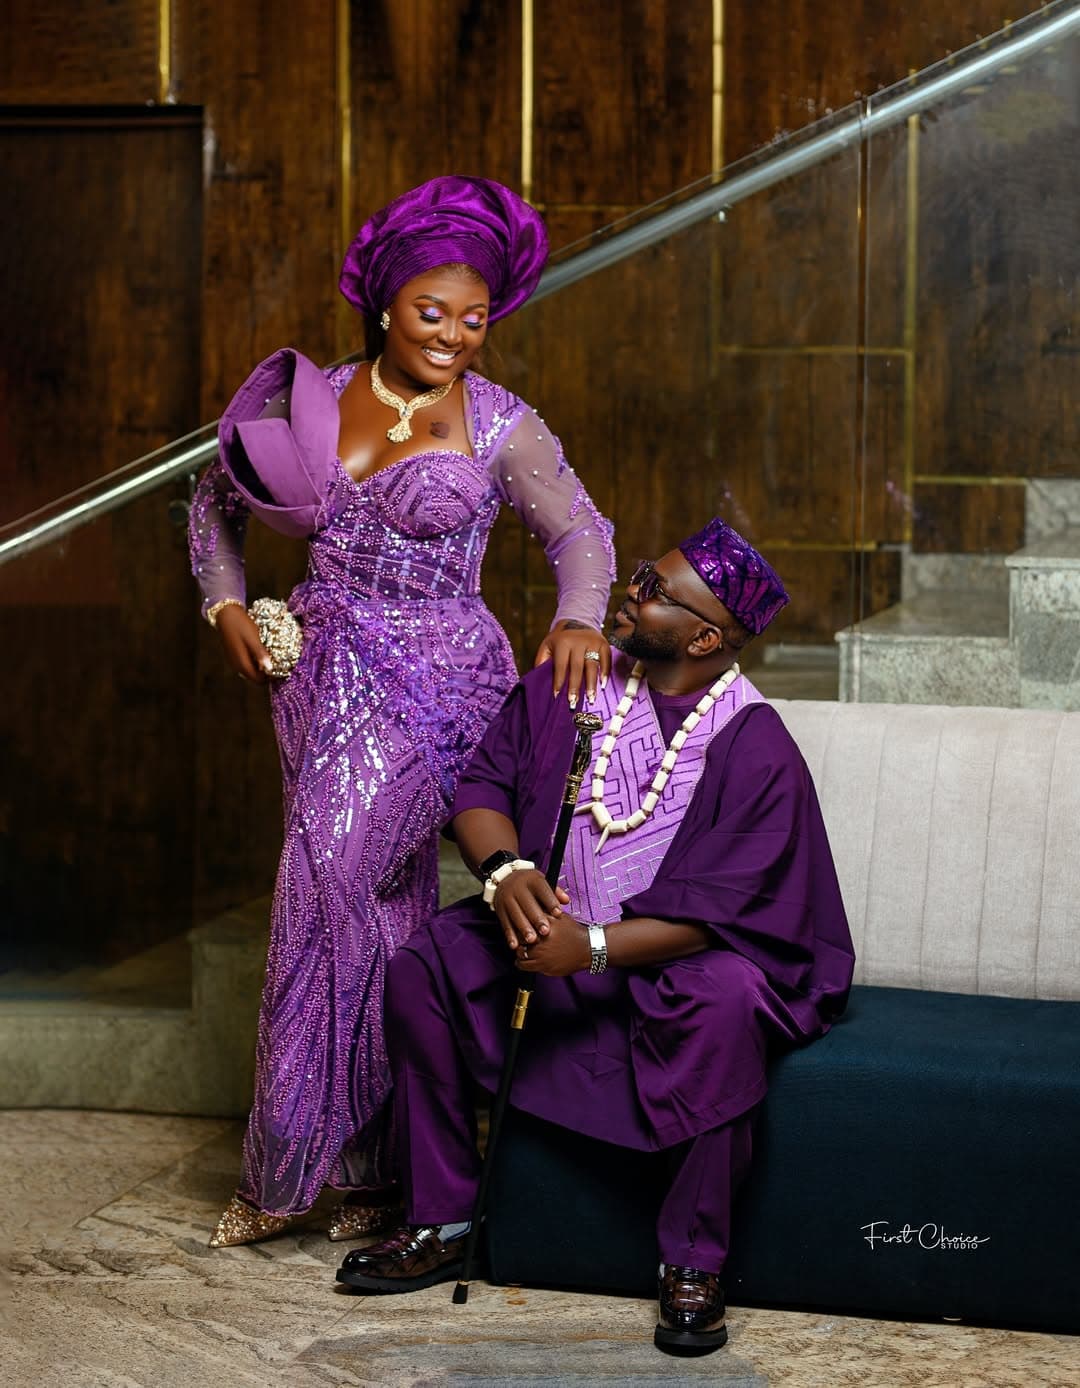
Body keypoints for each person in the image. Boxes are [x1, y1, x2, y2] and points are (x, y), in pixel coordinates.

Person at [187, 176, 615, 1248]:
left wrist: (579, 616)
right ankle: (387, 1170)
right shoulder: (317, 400)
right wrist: (225, 603)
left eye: (475, 318)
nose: (456, 337)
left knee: (324, 874)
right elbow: (213, 502)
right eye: (433, 313)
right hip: (325, 684)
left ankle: (282, 1168)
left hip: (443, 685)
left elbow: (582, 533)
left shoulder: (504, 423)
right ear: (386, 305)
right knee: (388, 909)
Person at [334, 517, 855, 1356]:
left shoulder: (756, 747)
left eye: (655, 591)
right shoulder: (576, 683)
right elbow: (481, 785)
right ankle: (445, 1218)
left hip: (664, 958)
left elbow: (722, 912)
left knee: (725, 1004)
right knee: (429, 960)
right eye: (642, 574)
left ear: (705, 635)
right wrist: (504, 874)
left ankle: (693, 1262)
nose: (632, 592)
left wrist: (596, 949)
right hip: (551, 935)